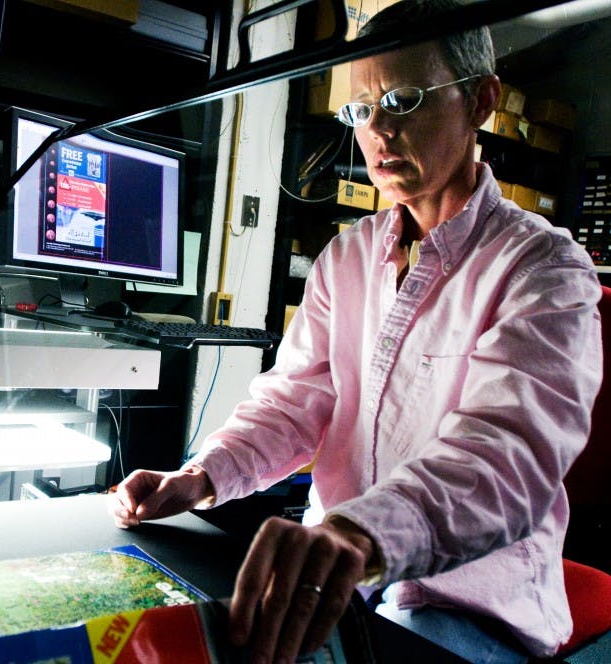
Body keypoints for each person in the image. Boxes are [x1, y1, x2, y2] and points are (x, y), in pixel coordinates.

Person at [108, 1, 603, 662]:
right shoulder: (346, 258)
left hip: (468, 604)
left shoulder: (543, 267)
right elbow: (291, 404)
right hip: (334, 578)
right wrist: (198, 477)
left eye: (403, 98)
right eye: (361, 109)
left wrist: (355, 534)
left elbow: (504, 453)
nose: (379, 132)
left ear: (481, 101)